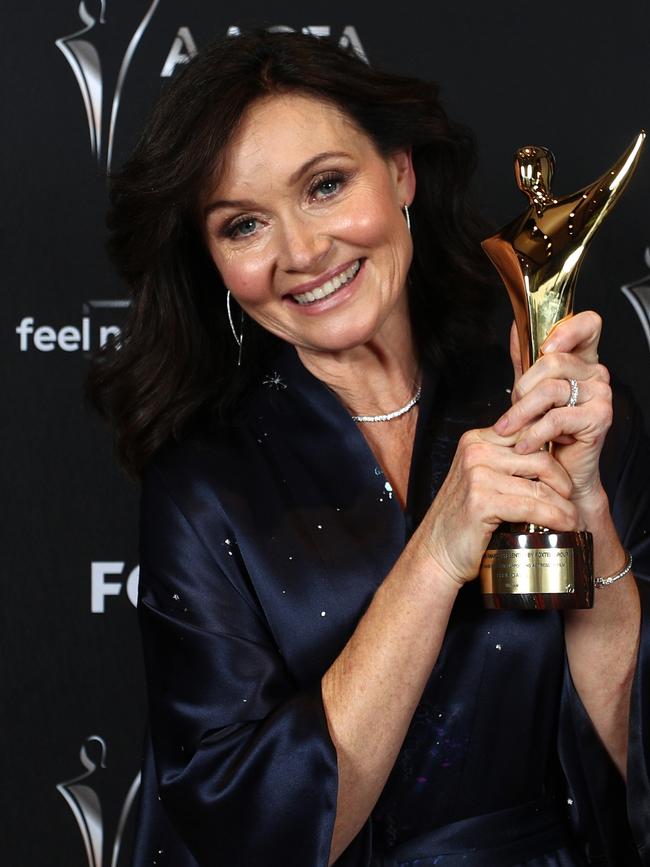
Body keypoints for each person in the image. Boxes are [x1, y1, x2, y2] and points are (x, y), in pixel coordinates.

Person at [88, 30, 650, 867]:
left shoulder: (550, 398)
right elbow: (253, 828)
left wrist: (590, 508)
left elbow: (633, 756)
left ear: (400, 173)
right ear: (212, 260)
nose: (303, 252)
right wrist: (437, 550)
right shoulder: (204, 487)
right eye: (244, 224)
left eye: (325, 185)